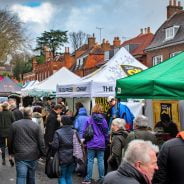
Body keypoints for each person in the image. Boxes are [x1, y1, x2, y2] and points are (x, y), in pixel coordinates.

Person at [8, 107, 45, 184]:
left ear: (23, 114)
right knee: (31, 177)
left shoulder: (15, 125)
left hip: (20, 154)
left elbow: (10, 141)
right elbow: (41, 142)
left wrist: (10, 153)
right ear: (31, 114)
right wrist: (42, 154)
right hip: (33, 154)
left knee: (21, 176)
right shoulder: (36, 126)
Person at [82, 104, 109, 184]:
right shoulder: (103, 120)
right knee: (101, 161)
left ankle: (88, 179)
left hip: (91, 143)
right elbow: (106, 132)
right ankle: (102, 178)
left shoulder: (89, 119)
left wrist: (85, 141)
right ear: (101, 110)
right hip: (101, 143)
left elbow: (84, 132)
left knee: (90, 161)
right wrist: (106, 141)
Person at [51, 115, 75, 184]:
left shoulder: (58, 132)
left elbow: (55, 146)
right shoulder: (74, 131)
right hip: (73, 156)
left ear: (62, 122)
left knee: (62, 176)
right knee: (69, 176)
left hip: (62, 156)